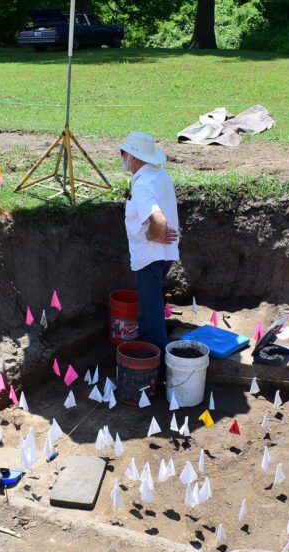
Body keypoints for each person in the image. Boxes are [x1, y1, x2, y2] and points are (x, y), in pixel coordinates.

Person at [118, 131, 180, 376]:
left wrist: (154, 235)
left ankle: (158, 372)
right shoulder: (160, 175)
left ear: (133, 157)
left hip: (149, 258)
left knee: (150, 318)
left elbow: (159, 219)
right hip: (164, 255)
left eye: (123, 153)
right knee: (153, 306)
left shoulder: (142, 184)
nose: (121, 157)